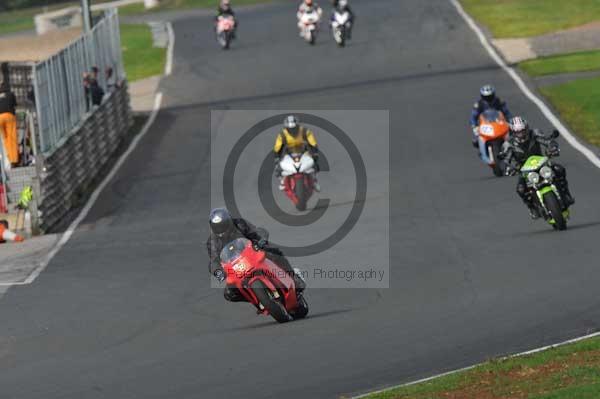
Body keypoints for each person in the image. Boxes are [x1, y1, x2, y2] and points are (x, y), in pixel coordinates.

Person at [206, 208, 305, 302]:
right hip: (235, 266)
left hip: (253, 251)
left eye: (223, 225)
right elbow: (214, 261)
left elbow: (257, 231)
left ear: (230, 221)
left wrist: (261, 240)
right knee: (229, 293)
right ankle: (256, 299)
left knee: (275, 253)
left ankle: (294, 278)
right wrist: (218, 272)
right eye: (217, 226)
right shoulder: (212, 242)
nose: (221, 229)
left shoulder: (240, 224)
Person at [501, 116, 575, 219]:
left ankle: (566, 195)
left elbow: (547, 140)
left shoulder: (535, 133)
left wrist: (552, 148)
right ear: (513, 131)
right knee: (520, 189)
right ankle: (532, 208)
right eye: (518, 132)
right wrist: (509, 168)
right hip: (524, 169)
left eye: (523, 130)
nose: (521, 134)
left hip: (541, 163)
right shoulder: (508, 143)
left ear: (527, 128)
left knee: (560, 169)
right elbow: (505, 159)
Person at [273, 115, 320, 192]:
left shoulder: (305, 131)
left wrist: (315, 154)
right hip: (288, 153)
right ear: (286, 128)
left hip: (303, 151)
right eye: (290, 129)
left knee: (315, 164)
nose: (292, 131)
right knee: (278, 168)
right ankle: (282, 181)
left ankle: (314, 180)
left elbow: (313, 143)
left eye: (294, 129)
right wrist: (277, 157)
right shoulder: (282, 135)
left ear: (298, 126)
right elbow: (277, 147)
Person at [0, 83, 19, 166]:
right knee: (12, 138)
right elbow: (15, 105)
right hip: (9, 116)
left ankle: (7, 157)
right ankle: (13, 160)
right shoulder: (11, 94)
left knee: (5, 139)